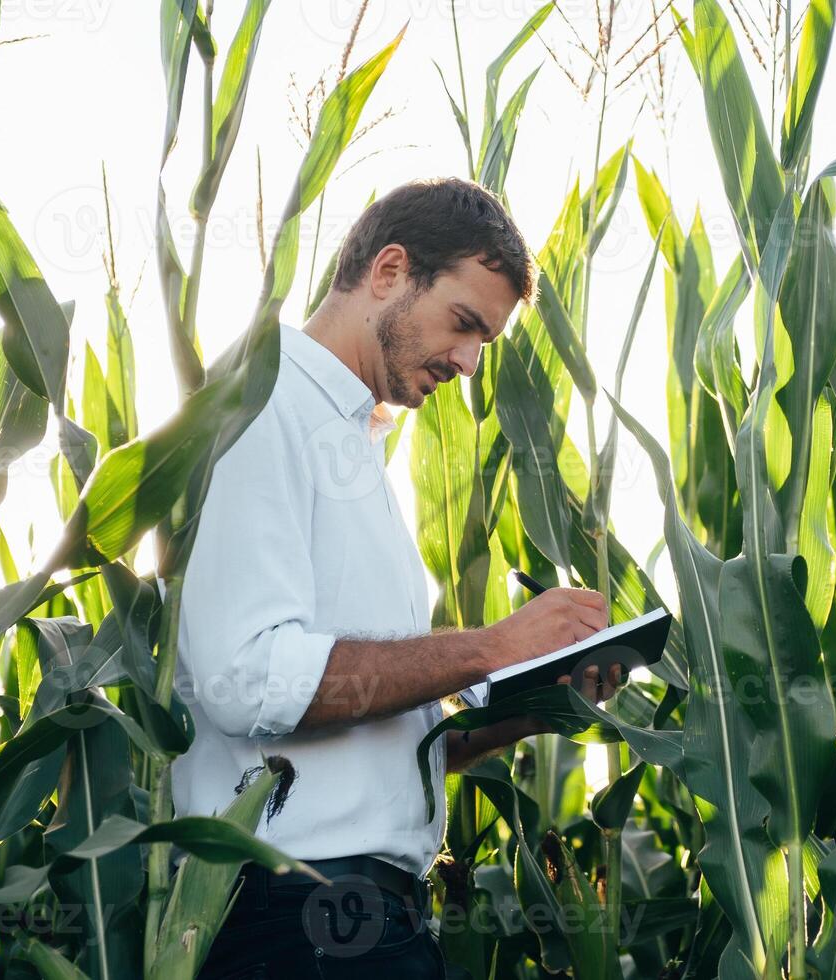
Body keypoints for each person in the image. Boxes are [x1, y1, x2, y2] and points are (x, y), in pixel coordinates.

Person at [172, 177, 622, 979]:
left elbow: (374, 736)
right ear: (387, 271)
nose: (470, 364)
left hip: (371, 918)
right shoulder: (263, 407)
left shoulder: (357, 449)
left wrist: (535, 703)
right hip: (295, 917)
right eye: (463, 324)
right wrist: (490, 646)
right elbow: (247, 679)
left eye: (484, 342)